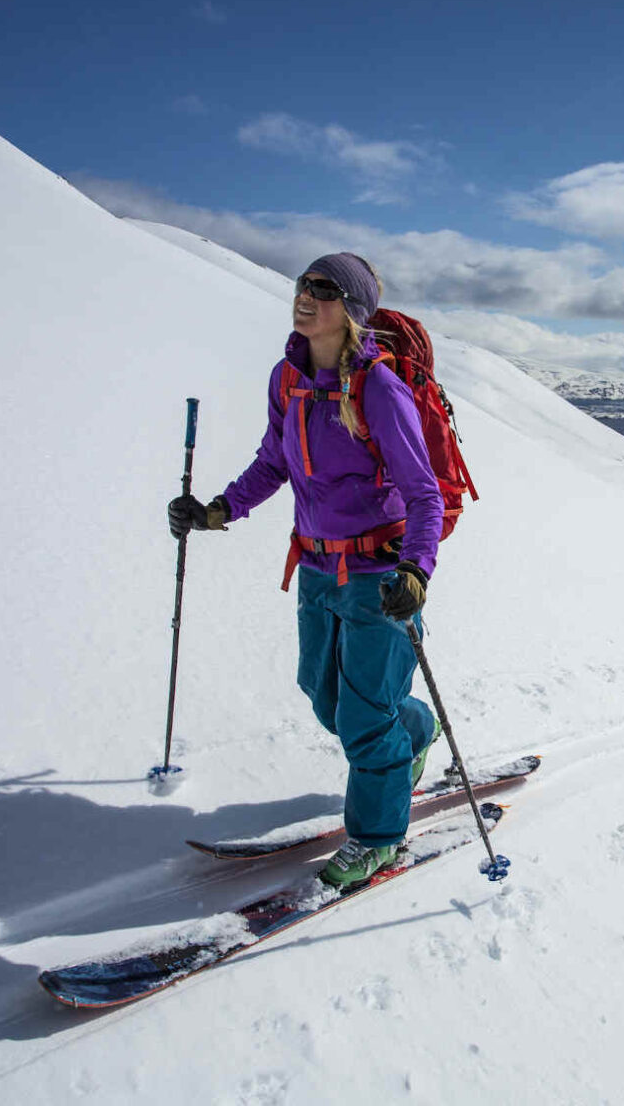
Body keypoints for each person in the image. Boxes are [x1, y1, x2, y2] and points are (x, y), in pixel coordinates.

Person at [167, 252, 445, 889]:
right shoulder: (287, 379)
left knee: (363, 717)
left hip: (380, 577)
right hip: (318, 570)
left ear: (350, 309)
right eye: (303, 283)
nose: (306, 295)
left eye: (324, 289)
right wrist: (217, 510)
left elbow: (424, 493)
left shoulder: (379, 386)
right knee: (323, 695)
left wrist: (416, 571)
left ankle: (378, 838)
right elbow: (274, 462)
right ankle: (416, 731)